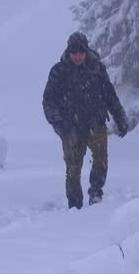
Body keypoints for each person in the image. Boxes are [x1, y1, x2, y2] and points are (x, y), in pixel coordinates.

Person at [42, 32, 129, 209]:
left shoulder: (97, 68)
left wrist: (120, 116)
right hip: (70, 127)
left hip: (95, 123)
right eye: (74, 53)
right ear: (68, 52)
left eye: (81, 52)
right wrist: (60, 124)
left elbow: (110, 95)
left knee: (101, 159)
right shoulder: (58, 72)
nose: (78, 56)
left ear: (86, 51)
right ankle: (75, 206)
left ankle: (96, 194)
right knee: (73, 167)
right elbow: (48, 101)